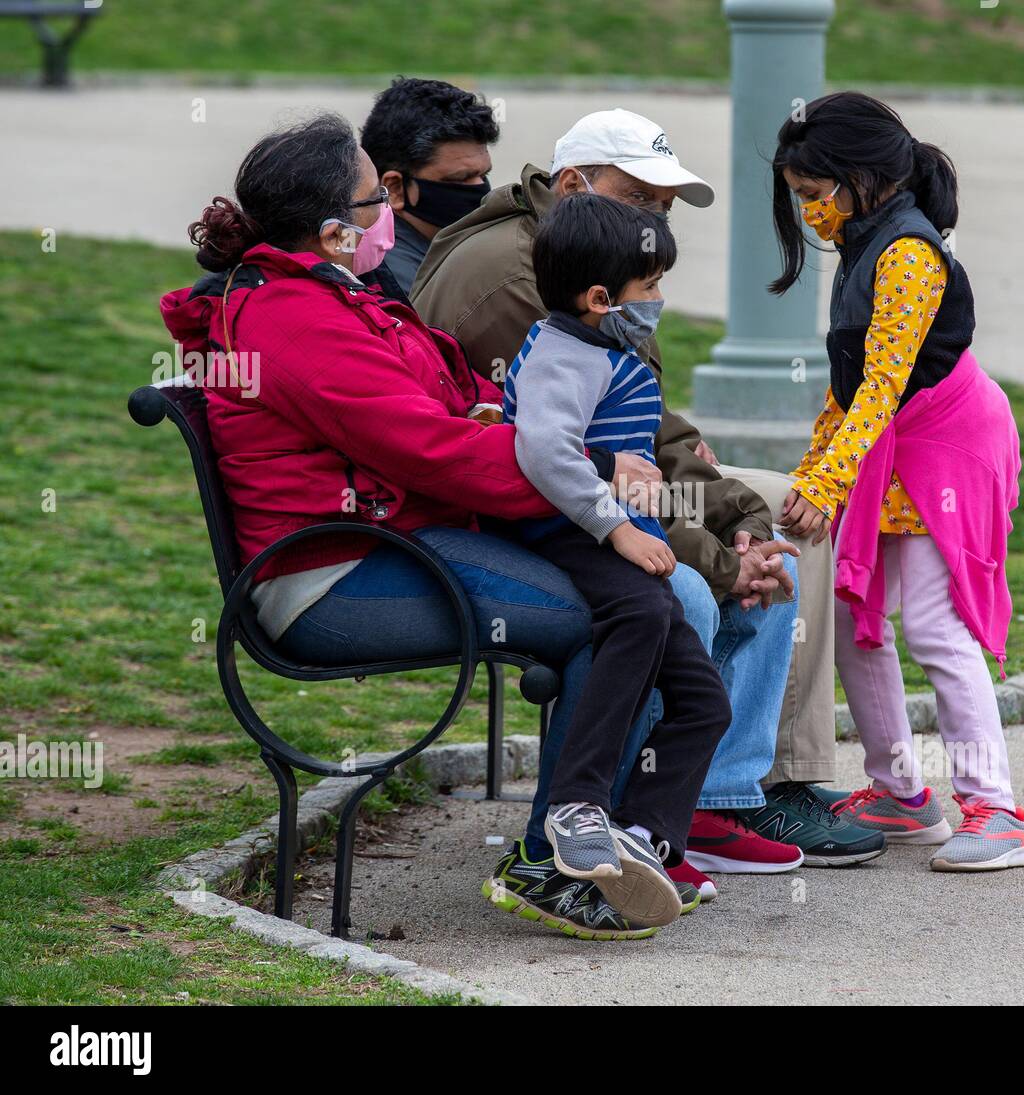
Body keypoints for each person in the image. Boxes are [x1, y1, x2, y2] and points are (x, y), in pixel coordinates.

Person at [162, 114, 673, 939]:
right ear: (334, 231)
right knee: (602, 617)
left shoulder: (331, 292)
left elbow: (451, 395)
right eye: (375, 199)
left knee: (631, 599)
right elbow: (435, 451)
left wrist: (569, 453)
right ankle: (553, 859)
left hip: (387, 544)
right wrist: (587, 478)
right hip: (329, 581)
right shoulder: (297, 320)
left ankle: (601, 837)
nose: (389, 215)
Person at [412, 109, 882, 884]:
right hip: (541, 513)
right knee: (689, 595)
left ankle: (726, 797)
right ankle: (621, 814)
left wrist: (734, 520)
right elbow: (570, 458)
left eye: (662, 208)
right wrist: (723, 558)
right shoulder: (524, 276)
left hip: (616, 484)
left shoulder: (589, 251)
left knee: (786, 522)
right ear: (573, 185)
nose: (655, 224)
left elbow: (647, 423)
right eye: (642, 198)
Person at [769, 92, 1024, 871]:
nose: (808, 213)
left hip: (948, 445)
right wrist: (816, 469)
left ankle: (997, 808)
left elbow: (883, 387)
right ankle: (899, 791)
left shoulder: (909, 255)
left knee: (932, 622)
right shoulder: (862, 242)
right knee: (859, 616)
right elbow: (849, 387)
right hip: (889, 443)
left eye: (814, 196)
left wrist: (828, 483)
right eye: (799, 199)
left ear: (861, 178)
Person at [499, 193, 732, 929]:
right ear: (600, 299)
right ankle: (578, 803)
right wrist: (616, 529)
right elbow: (541, 450)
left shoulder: (601, 346)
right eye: (650, 286)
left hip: (603, 525)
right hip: (565, 529)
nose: (659, 300)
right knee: (640, 608)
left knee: (704, 701)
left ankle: (643, 837)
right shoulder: (566, 354)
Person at [359, 77, 498, 294]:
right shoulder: (401, 287)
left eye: (483, 174)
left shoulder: (441, 252)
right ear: (394, 188)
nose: (481, 190)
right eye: (461, 179)